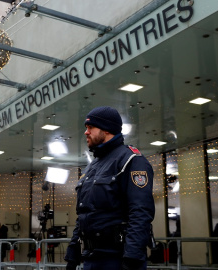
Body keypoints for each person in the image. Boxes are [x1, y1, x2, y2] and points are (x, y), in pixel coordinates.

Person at [64, 106, 155, 270]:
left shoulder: (131, 160)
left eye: (90, 127)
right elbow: (85, 213)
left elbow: (140, 212)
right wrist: (73, 253)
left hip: (118, 259)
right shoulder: (93, 167)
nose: (86, 132)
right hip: (91, 258)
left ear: (106, 130)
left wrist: (132, 259)